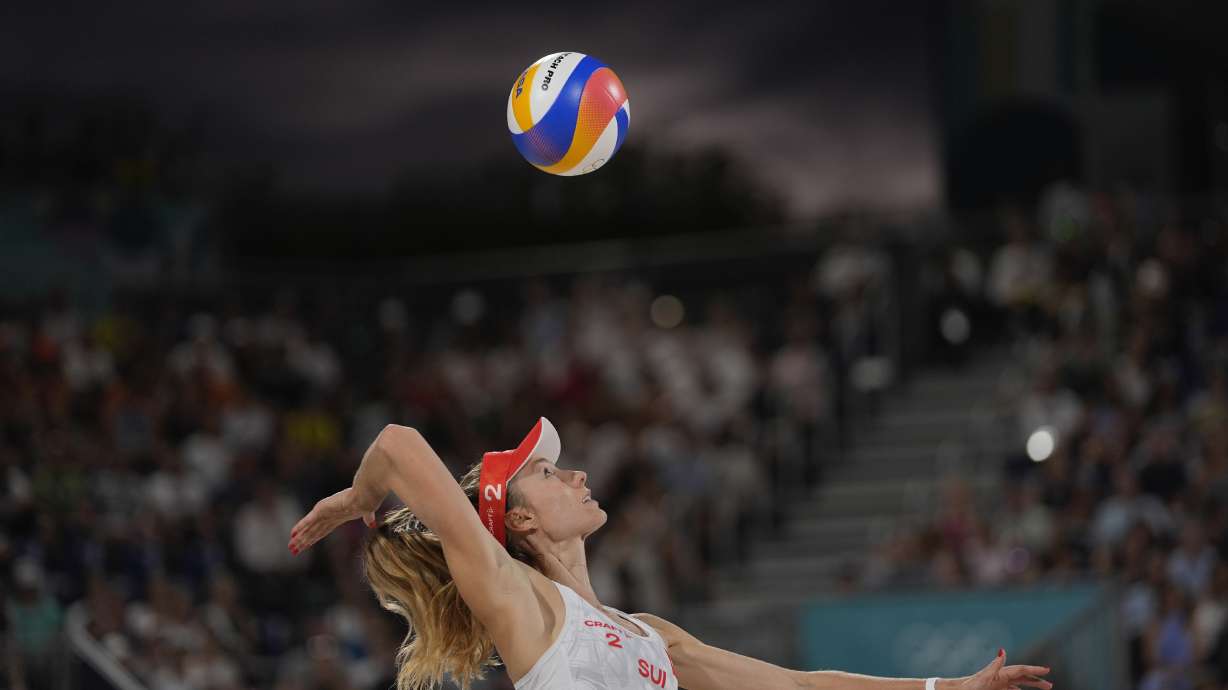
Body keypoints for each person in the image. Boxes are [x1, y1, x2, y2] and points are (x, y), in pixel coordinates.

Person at [288, 418, 1055, 690]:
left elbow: (796, 684)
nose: (576, 472)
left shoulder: (648, 633)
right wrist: (360, 500)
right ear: (518, 520)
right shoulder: (516, 599)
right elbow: (394, 445)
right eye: (550, 473)